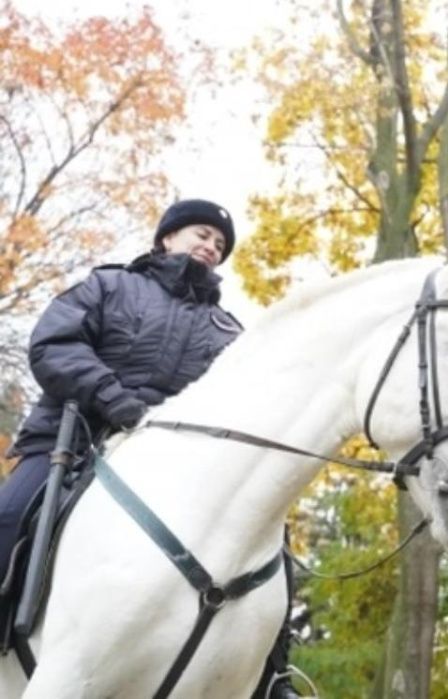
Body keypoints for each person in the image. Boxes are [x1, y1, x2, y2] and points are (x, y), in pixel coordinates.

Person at [0, 199, 302, 699]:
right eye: (201, 234)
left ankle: (275, 675)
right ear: (168, 238)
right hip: (73, 443)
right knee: (9, 514)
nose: (210, 246)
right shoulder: (109, 286)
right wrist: (112, 397)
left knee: (272, 539)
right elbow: (53, 344)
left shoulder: (230, 333)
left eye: (220, 244)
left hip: (177, 471)